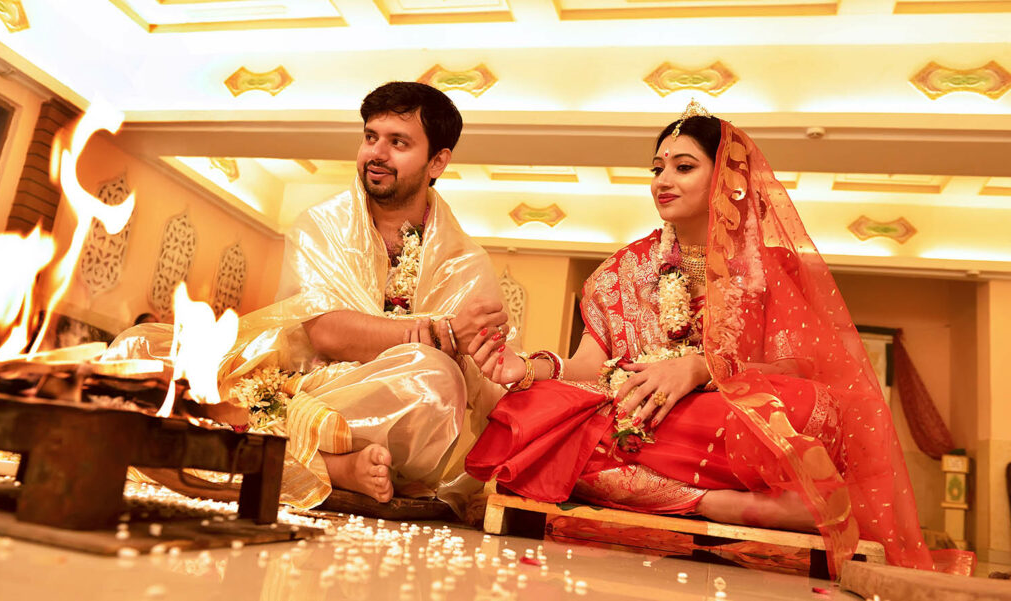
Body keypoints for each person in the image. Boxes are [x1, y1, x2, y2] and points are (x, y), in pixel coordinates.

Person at [463, 101, 942, 577]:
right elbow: (592, 365)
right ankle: (720, 503)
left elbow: (796, 368)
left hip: (723, 418)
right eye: (657, 168)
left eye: (683, 166)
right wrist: (527, 368)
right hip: (635, 414)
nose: (663, 180)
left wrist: (700, 369)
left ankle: (696, 489)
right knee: (526, 410)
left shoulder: (769, 269)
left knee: (810, 407)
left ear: (727, 178)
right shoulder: (622, 269)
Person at [107, 82, 511, 517]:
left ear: (438, 161)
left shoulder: (465, 262)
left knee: (436, 380)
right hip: (295, 376)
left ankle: (269, 447)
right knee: (137, 347)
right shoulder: (321, 225)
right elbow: (327, 333)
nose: (376, 153)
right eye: (370, 137)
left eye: (398, 143)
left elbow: (495, 379)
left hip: (380, 403)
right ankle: (333, 465)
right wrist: (438, 331)